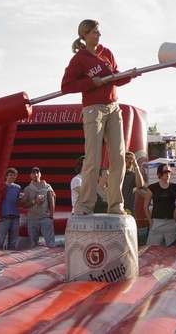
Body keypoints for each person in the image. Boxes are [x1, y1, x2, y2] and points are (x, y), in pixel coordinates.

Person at [61, 19, 140, 216]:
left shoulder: (107, 53)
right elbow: (66, 85)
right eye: (95, 32)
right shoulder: (79, 59)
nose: (98, 35)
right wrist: (90, 83)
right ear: (84, 35)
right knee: (93, 159)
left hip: (113, 108)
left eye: (99, 32)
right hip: (93, 110)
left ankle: (115, 204)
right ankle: (85, 205)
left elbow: (115, 77)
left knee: (119, 158)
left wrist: (130, 75)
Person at [140, 163, 176, 246]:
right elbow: (145, 205)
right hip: (157, 222)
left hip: (171, 222)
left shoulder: (175, 187)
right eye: (165, 172)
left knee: (173, 250)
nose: (167, 174)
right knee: (152, 250)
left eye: (169, 171)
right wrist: (150, 222)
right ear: (159, 173)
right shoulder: (152, 187)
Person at [0, 167, 22, 250]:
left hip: (15, 218)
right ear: (6, 176)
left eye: (14, 175)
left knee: (12, 244)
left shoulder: (18, 188)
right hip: (4, 218)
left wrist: (21, 202)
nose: (12, 177)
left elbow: (19, 201)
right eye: (10, 175)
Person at [20, 167, 56, 247]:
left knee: (51, 242)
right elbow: (24, 205)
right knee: (33, 244)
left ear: (40, 174)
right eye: (33, 173)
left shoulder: (47, 187)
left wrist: (51, 216)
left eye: (37, 173)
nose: (35, 175)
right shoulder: (27, 189)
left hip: (45, 218)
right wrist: (34, 201)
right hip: (32, 219)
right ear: (30, 175)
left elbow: (52, 202)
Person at [122, 151, 145, 217]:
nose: (127, 164)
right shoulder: (117, 175)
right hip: (117, 208)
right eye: (125, 162)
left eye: (129, 162)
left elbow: (140, 186)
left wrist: (136, 167)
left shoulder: (134, 175)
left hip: (129, 209)